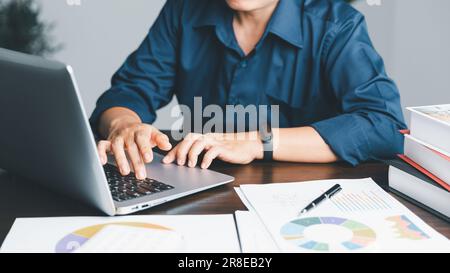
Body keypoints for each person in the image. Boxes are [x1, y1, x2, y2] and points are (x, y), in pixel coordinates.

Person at [90, 0, 406, 180]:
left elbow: (384, 126)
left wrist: (258, 142)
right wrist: (125, 127)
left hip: (301, 196)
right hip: (198, 183)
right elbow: (129, 91)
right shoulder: (184, 9)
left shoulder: (336, 25)